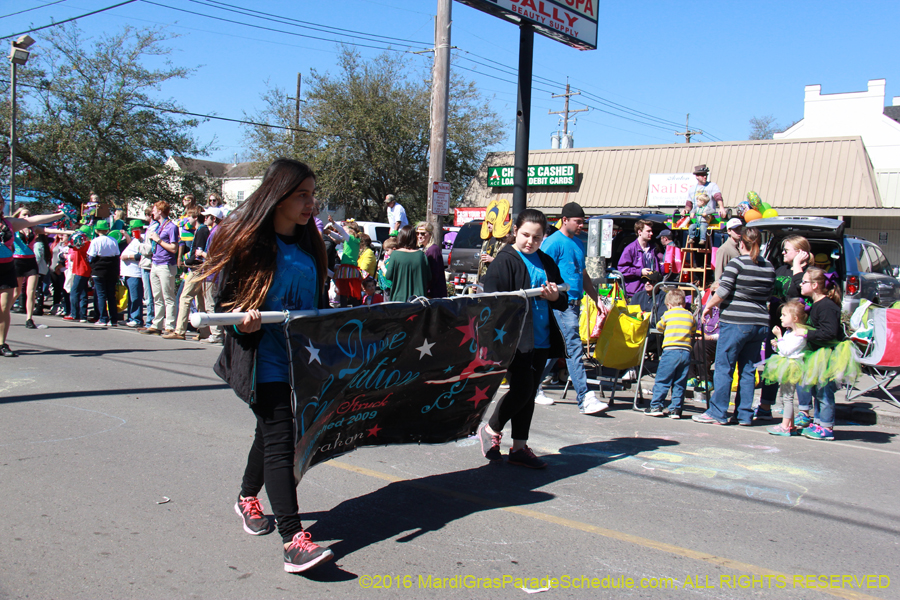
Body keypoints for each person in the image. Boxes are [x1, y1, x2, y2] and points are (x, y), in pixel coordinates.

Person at [199, 158, 333, 573]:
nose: (312, 203)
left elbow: (318, 302)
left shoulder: (312, 244)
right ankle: (294, 539)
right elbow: (223, 305)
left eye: (313, 194)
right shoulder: (247, 243)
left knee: (269, 431)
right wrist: (243, 316)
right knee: (281, 436)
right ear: (278, 198)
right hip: (262, 357)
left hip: (300, 356)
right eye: (302, 195)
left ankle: (245, 497)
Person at [478, 209, 567, 469]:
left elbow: (562, 299)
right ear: (515, 230)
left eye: (537, 237)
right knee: (523, 389)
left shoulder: (546, 261)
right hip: (513, 338)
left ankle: (519, 447)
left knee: (529, 395)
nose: (530, 241)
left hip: (541, 338)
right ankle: (491, 428)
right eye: (526, 235)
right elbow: (489, 302)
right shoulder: (504, 260)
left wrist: (554, 297)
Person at [693, 227, 775, 426]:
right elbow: (768, 294)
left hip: (736, 322)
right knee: (747, 369)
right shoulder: (769, 266)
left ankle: (718, 412)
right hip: (760, 322)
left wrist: (708, 307)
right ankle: (744, 414)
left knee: (724, 366)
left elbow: (723, 291)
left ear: (742, 243)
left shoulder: (736, 263)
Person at [532, 202, 607, 414]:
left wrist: (596, 299)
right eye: (578, 221)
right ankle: (584, 398)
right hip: (560, 304)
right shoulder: (554, 243)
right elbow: (541, 270)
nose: (581, 225)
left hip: (574, 304)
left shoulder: (577, 244)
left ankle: (533, 387)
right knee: (573, 347)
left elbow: (583, 276)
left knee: (558, 348)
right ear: (565, 220)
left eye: (583, 222)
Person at [755, 235, 811, 420]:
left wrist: (797, 266)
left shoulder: (808, 273)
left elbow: (796, 294)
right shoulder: (779, 269)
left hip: (796, 330)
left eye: (787, 250)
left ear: (800, 252)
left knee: (798, 368)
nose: (783, 253)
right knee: (772, 365)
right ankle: (765, 406)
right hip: (776, 325)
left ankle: (804, 411)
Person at [0, 199, 65, 356]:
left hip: (7, 268)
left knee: (3, 308)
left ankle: (1, 344)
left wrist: (60, 215)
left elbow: (34, 219)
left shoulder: (9, 223)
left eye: (0, 202)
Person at [793, 268, 845, 441]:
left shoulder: (827, 306)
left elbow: (829, 333)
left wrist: (807, 334)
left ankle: (827, 426)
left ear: (815, 285)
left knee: (824, 392)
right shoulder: (816, 305)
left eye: (805, 282)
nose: (801, 284)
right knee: (817, 390)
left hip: (828, 355)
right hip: (817, 353)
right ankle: (818, 422)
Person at [645, 288, 695, 419]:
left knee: (663, 379)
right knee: (680, 381)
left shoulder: (668, 314)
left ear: (669, 305)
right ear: (683, 304)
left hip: (670, 350)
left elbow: (659, 327)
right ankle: (676, 409)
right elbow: (693, 328)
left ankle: (656, 405)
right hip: (685, 351)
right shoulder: (689, 315)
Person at [164, 207, 212, 340]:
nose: (187, 220)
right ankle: (205, 332)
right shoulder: (200, 230)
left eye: (189, 217)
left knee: (185, 298)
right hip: (199, 269)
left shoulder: (202, 230)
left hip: (197, 269)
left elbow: (198, 252)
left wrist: (187, 261)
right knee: (200, 301)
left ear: (196, 217)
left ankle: (180, 330)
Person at [764, 300, 808, 436]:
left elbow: (787, 351)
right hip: (787, 364)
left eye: (784, 315)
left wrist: (779, 338)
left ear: (794, 318)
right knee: (785, 396)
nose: (781, 317)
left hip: (792, 366)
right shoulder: (790, 332)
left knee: (787, 397)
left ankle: (785, 426)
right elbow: (783, 350)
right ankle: (791, 425)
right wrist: (777, 344)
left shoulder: (799, 335)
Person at [142, 201, 179, 334]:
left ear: (161, 211)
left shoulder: (171, 227)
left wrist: (158, 240)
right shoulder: (157, 226)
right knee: (156, 296)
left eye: (155, 209)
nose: (152, 212)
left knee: (168, 296)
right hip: (155, 263)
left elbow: (174, 248)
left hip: (166, 265)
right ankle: (156, 324)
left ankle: (169, 325)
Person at [193, 207, 225, 343]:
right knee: (214, 303)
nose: (205, 219)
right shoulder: (217, 231)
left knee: (211, 304)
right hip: (214, 272)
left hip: (213, 273)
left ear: (214, 218)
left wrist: (201, 254)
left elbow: (214, 256)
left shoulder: (216, 232)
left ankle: (216, 334)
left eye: (207, 217)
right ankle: (218, 333)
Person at [87, 220, 121, 326]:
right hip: (111, 270)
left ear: (97, 230)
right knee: (111, 295)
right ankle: (114, 319)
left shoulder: (95, 241)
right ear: (107, 230)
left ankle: (103, 318)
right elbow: (117, 256)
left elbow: (91, 257)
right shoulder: (113, 240)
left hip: (99, 270)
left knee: (101, 295)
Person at [617, 219, 662, 298]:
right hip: (636, 292)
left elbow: (657, 268)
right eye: (648, 231)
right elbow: (622, 269)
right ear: (639, 232)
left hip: (652, 291)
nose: (651, 233)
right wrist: (640, 272)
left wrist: (665, 267)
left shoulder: (653, 249)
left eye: (651, 231)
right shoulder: (630, 249)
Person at [384, 226, 429, 302]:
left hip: (399, 299)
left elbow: (388, 276)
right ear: (414, 238)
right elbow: (428, 277)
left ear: (400, 237)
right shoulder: (421, 255)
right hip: (418, 300)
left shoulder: (395, 255)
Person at [330, 218, 363, 307]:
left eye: (345, 229)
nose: (343, 230)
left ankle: (344, 308)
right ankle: (357, 307)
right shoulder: (353, 240)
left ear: (350, 230)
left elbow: (341, 232)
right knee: (351, 292)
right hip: (352, 269)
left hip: (346, 269)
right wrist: (329, 232)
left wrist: (333, 223)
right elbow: (339, 237)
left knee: (344, 292)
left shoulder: (350, 238)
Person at [119, 220, 146, 327]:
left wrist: (128, 257)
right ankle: (131, 317)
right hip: (129, 273)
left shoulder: (143, 239)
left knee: (135, 297)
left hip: (135, 273)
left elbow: (142, 255)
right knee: (131, 297)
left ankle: (137, 318)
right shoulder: (136, 240)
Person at [415, 221, 447, 299]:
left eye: (423, 233)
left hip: (434, 294)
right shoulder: (425, 249)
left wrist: (425, 288)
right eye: (417, 233)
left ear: (430, 234)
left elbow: (434, 274)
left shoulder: (433, 250)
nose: (419, 236)